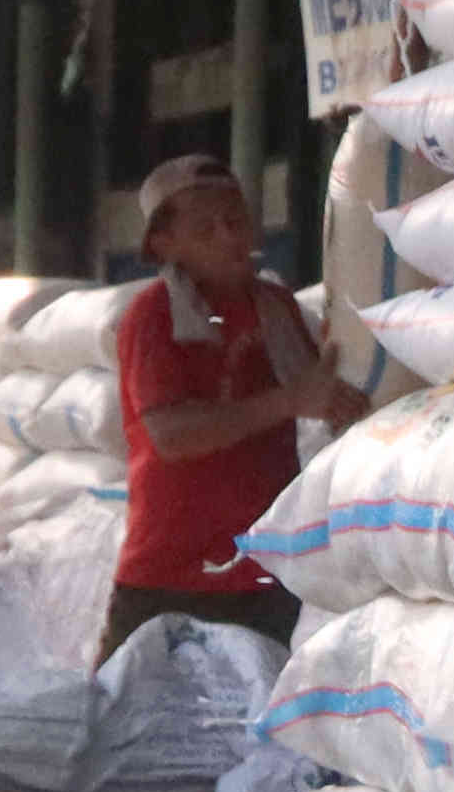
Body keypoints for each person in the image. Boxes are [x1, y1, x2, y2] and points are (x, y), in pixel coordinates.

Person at [109, 153, 361, 656]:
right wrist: (291, 400)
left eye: (236, 221)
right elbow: (172, 435)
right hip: (168, 574)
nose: (229, 237)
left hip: (262, 574)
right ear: (164, 244)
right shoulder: (153, 315)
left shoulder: (276, 307)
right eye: (205, 229)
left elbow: (320, 392)